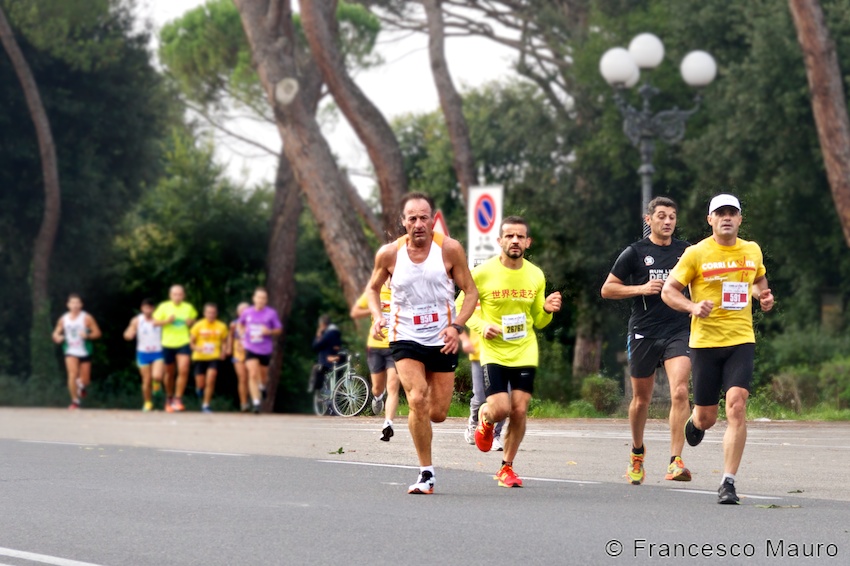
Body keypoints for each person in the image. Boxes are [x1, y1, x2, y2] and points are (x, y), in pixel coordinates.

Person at [662, 193, 774, 504]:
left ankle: (728, 482)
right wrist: (692, 306)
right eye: (719, 213)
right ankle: (695, 421)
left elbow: (758, 282)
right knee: (708, 417)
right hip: (705, 344)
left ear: (740, 219)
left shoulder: (751, 250)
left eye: (732, 213)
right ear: (710, 219)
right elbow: (669, 291)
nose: (726, 217)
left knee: (737, 405)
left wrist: (763, 297)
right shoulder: (696, 253)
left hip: (741, 340)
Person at [366, 192, 478, 494]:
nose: (418, 223)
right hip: (404, 335)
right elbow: (373, 289)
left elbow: (470, 291)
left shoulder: (450, 249)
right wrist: (377, 316)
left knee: (438, 412)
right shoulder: (389, 254)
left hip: (443, 337)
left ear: (432, 220)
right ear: (403, 222)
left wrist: (457, 326)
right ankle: (426, 473)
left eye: (423, 217)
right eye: (411, 218)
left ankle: (422, 423)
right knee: (416, 397)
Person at [462, 216, 561, 488]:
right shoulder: (482, 274)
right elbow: (462, 307)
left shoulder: (536, 274)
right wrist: (482, 327)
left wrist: (548, 311)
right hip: (494, 351)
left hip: (525, 350)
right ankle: (485, 418)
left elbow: (538, 320)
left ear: (528, 242)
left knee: (519, 409)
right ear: (500, 241)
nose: (515, 241)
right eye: (509, 236)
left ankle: (507, 467)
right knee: (501, 409)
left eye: (520, 237)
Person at [600, 196, 693, 485]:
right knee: (642, 400)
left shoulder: (687, 252)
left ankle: (675, 461)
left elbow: (701, 284)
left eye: (672, 217)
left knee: (679, 391)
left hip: (679, 330)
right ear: (648, 219)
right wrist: (640, 288)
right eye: (661, 216)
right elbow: (607, 289)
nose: (667, 222)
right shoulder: (635, 253)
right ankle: (637, 453)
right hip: (643, 331)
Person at [351, 280, 401, 441]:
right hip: (376, 346)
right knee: (377, 388)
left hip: (397, 345)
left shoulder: (404, 291)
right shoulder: (375, 291)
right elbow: (355, 312)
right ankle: (378, 397)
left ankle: (388, 424)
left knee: (393, 386)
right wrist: (374, 310)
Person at [460, 316, 506, 451]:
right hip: (478, 353)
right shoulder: (473, 295)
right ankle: (473, 424)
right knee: (480, 397)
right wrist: (465, 339)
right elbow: (457, 314)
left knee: (504, 400)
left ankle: (495, 436)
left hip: (503, 354)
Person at [51, 293, 102, 410]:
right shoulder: (63, 319)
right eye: (72, 303)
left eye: (77, 303)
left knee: (86, 380)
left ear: (81, 305)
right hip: (70, 350)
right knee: (72, 374)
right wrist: (57, 337)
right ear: (68, 305)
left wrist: (88, 335)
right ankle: (75, 401)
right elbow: (55, 333)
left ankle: (81, 385)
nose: (75, 305)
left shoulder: (87, 318)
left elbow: (98, 333)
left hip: (84, 350)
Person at [153, 285, 197, 413]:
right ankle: (169, 397)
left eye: (180, 294)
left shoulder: (188, 307)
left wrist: (191, 322)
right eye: (175, 294)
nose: (177, 296)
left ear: (183, 295)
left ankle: (178, 399)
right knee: (169, 373)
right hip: (167, 343)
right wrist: (167, 321)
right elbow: (155, 322)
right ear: (170, 295)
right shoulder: (163, 306)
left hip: (183, 342)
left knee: (183, 369)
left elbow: (193, 320)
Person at [238, 287, 282, 413]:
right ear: (254, 298)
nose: (261, 300)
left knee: (263, 376)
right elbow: (240, 324)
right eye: (259, 297)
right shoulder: (247, 312)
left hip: (265, 349)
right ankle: (256, 403)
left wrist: (269, 331)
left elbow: (278, 329)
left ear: (266, 300)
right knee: (252, 373)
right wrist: (242, 336)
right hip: (250, 347)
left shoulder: (271, 313)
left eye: (263, 298)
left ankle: (262, 386)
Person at [123, 298, 164, 412]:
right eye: (145, 308)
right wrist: (129, 335)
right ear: (142, 309)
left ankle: (157, 383)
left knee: (157, 375)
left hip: (157, 351)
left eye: (150, 308)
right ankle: (147, 402)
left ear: (153, 309)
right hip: (143, 353)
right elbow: (127, 332)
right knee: (146, 380)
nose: (148, 310)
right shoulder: (137, 320)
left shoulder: (159, 319)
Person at [190, 303, 229, 413]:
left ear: (216, 314)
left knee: (211, 379)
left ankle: (206, 405)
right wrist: (196, 348)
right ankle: (199, 389)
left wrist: (223, 351)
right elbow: (191, 343)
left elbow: (224, 341)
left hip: (214, 357)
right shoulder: (198, 325)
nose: (211, 315)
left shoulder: (221, 326)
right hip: (199, 357)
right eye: (209, 313)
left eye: (213, 313)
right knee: (201, 384)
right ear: (204, 313)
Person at [225, 302, 250, 412]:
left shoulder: (253, 323)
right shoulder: (234, 324)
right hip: (238, 354)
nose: (244, 312)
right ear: (238, 312)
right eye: (241, 310)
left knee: (251, 378)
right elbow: (230, 336)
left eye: (246, 310)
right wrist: (229, 348)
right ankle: (243, 403)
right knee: (242, 378)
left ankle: (252, 400)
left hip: (251, 354)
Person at [311, 313, 343, 391]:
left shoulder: (328, 333)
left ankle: (328, 400)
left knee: (321, 376)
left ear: (323, 324)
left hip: (327, 362)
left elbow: (316, 346)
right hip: (337, 361)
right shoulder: (336, 332)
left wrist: (318, 335)